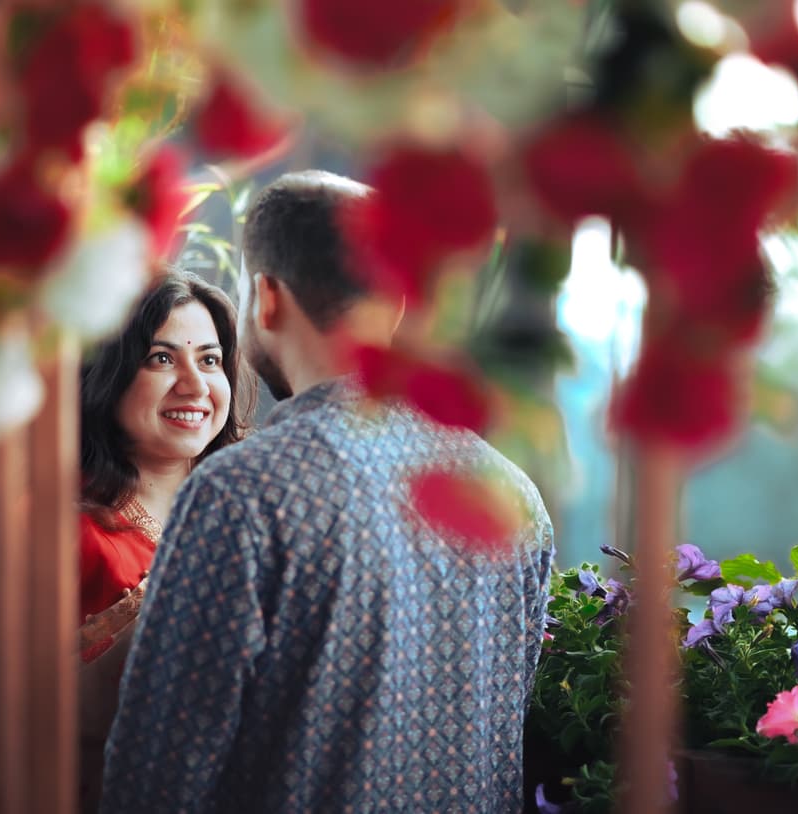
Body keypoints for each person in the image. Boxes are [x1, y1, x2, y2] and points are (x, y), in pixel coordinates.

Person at [101, 171, 554, 814]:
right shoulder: (511, 496)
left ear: (267, 298)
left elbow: (155, 777)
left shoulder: (243, 494)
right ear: (396, 305)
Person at [76, 269, 252, 813]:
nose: (195, 385)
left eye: (209, 359)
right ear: (108, 375)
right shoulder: (71, 536)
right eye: (161, 359)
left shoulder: (251, 513)